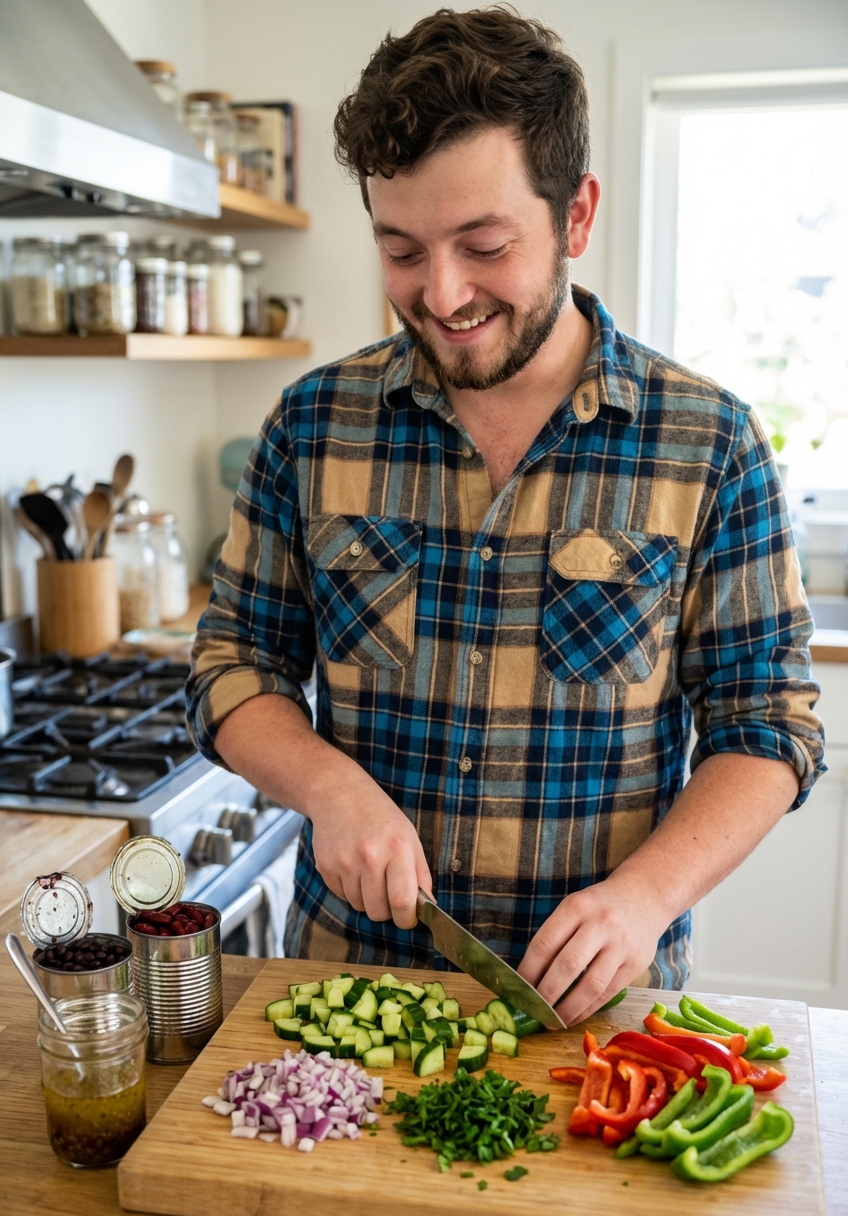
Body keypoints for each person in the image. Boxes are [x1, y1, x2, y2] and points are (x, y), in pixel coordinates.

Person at [186, 7, 824, 1025]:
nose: (441, 294)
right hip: (349, 992)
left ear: (574, 217)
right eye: (400, 249)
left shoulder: (709, 445)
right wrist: (328, 787)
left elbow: (767, 729)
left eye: (482, 245)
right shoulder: (311, 426)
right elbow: (232, 666)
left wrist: (644, 898)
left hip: (597, 1010)